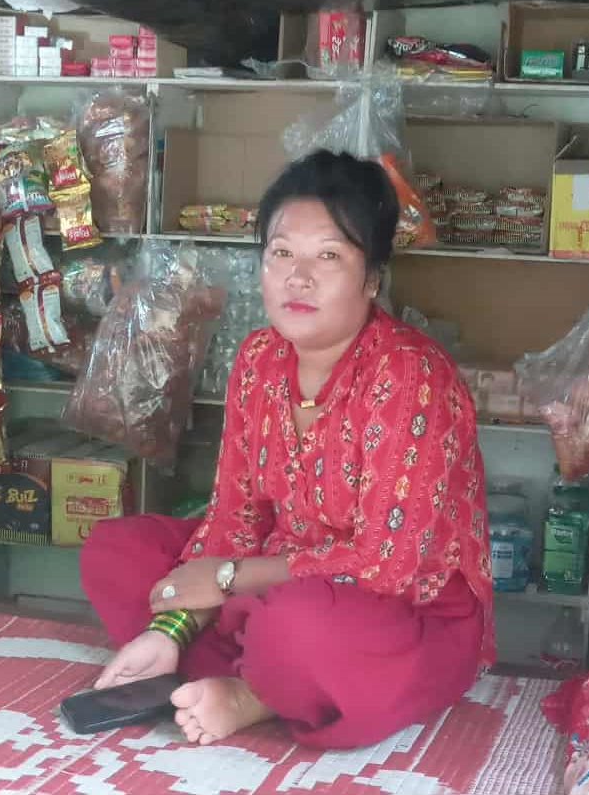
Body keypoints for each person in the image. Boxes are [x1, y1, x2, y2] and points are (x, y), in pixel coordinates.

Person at [80, 150, 494, 749]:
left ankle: (252, 693)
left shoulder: (410, 374)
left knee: (301, 627)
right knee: (117, 552)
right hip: (269, 580)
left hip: (400, 614)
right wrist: (173, 624)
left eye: (328, 256)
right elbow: (236, 514)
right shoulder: (258, 360)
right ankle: (221, 667)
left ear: (371, 277)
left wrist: (225, 580)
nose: (298, 277)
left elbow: (388, 566)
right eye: (281, 254)